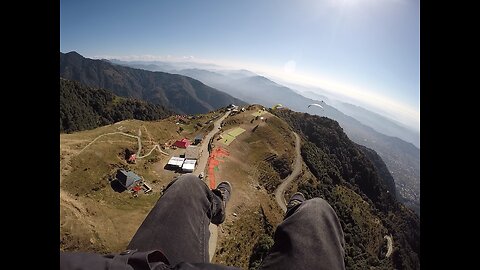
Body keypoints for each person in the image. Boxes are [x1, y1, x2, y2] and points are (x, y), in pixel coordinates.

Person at [60, 174, 345, 270]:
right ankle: (294, 210)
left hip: (147, 264)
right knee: (317, 212)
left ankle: (217, 205)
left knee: (187, 183)